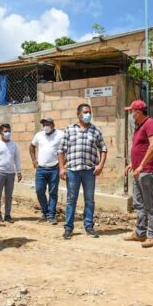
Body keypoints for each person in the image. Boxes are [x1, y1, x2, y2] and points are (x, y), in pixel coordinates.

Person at [57, 103, 108, 240]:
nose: (88, 115)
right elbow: (61, 150)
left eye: (89, 112)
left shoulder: (96, 131)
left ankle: (89, 226)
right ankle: (68, 228)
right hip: (72, 170)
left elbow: (103, 149)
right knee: (71, 200)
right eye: (85, 112)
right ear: (78, 114)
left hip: (89, 171)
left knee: (89, 200)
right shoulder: (69, 130)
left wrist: (101, 166)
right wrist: (62, 168)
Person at [123, 100, 153, 248]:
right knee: (139, 204)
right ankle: (140, 232)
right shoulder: (140, 126)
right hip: (139, 171)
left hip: (148, 171)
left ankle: (152, 235)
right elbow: (140, 148)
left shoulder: (150, 124)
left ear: (138, 112)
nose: (131, 114)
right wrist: (133, 164)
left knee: (150, 205)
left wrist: (142, 165)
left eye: (132, 111)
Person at [29, 117, 64, 225]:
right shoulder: (39, 135)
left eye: (48, 124)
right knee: (39, 190)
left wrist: (62, 163)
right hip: (41, 169)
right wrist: (34, 160)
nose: (46, 126)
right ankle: (44, 211)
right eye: (44, 124)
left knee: (53, 192)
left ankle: (51, 215)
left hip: (54, 168)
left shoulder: (60, 134)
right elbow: (31, 147)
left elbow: (67, 149)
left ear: (53, 124)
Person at [0, 124, 22, 223]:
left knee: (9, 195)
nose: (7, 133)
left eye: (9, 131)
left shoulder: (14, 145)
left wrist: (19, 171)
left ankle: (7, 214)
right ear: (0, 132)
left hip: (10, 173)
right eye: (5, 131)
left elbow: (17, 158)